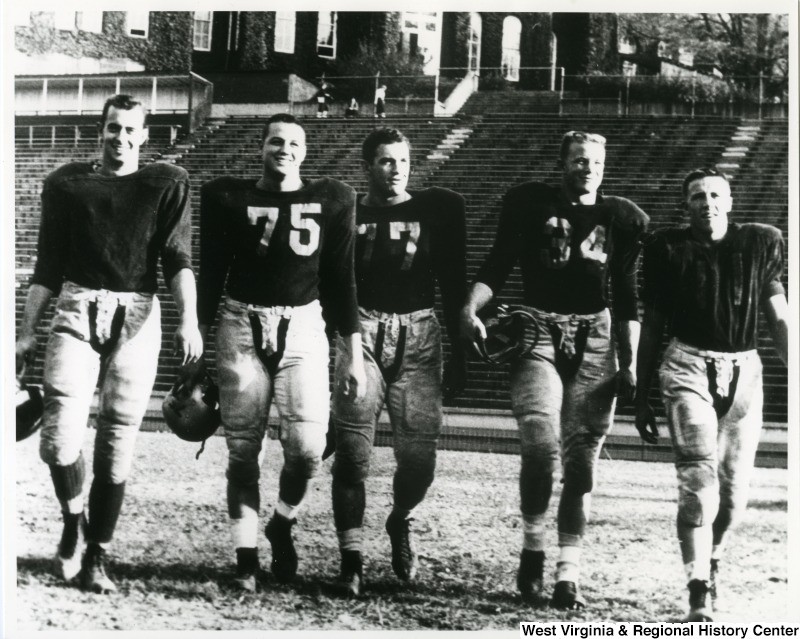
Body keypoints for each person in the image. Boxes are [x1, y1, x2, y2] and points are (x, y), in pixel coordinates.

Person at [14, 94, 203, 594]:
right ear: (99, 132)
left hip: (137, 311)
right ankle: (73, 519)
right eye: (112, 129)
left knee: (117, 438)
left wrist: (190, 321)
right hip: (77, 305)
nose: (120, 139)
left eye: (130, 131)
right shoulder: (68, 184)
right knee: (58, 441)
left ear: (146, 136)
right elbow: (48, 265)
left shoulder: (166, 182)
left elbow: (178, 258)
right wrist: (26, 331)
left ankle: (98, 553)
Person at [460, 131, 649, 609]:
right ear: (562, 163)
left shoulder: (622, 218)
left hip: (597, 335)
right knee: (541, 446)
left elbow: (626, 297)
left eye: (596, 161)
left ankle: (569, 570)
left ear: (605, 167)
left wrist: (630, 361)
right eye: (579, 160)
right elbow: (499, 263)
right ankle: (532, 547)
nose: (587, 168)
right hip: (539, 327)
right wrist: (469, 308)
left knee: (582, 464)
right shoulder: (530, 203)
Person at [195, 113, 366, 593]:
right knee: (243, 450)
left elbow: (341, 282)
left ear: (305, 152)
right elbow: (211, 272)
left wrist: (352, 351)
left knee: (309, 448)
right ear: (261, 149)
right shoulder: (231, 198)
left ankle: (283, 520)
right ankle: (246, 560)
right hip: (240, 322)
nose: (283, 149)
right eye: (275, 141)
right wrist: (196, 334)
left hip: (305, 325)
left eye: (293, 143)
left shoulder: (330, 200)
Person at [634, 168, 787, 622]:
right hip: (687, 365)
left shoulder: (759, 243)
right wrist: (642, 391)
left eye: (716, 194)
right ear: (687, 206)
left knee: (735, 493)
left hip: (744, 368)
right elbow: (655, 323)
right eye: (698, 196)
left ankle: (713, 557)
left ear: (731, 201)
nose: (708, 202)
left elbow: (778, 317)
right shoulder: (668, 248)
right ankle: (696, 586)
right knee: (699, 485)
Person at [330, 128, 467, 596]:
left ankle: (400, 518)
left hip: (421, 334)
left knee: (419, 461)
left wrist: (462, 350)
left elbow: (452, 281)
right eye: (386, 161)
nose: (396, 169)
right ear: (367, 165)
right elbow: (333, 284)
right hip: (361, 331)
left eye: (403, 161)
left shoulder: (432, 210)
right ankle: (351, 558)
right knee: (352, 456)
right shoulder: (348, 213)